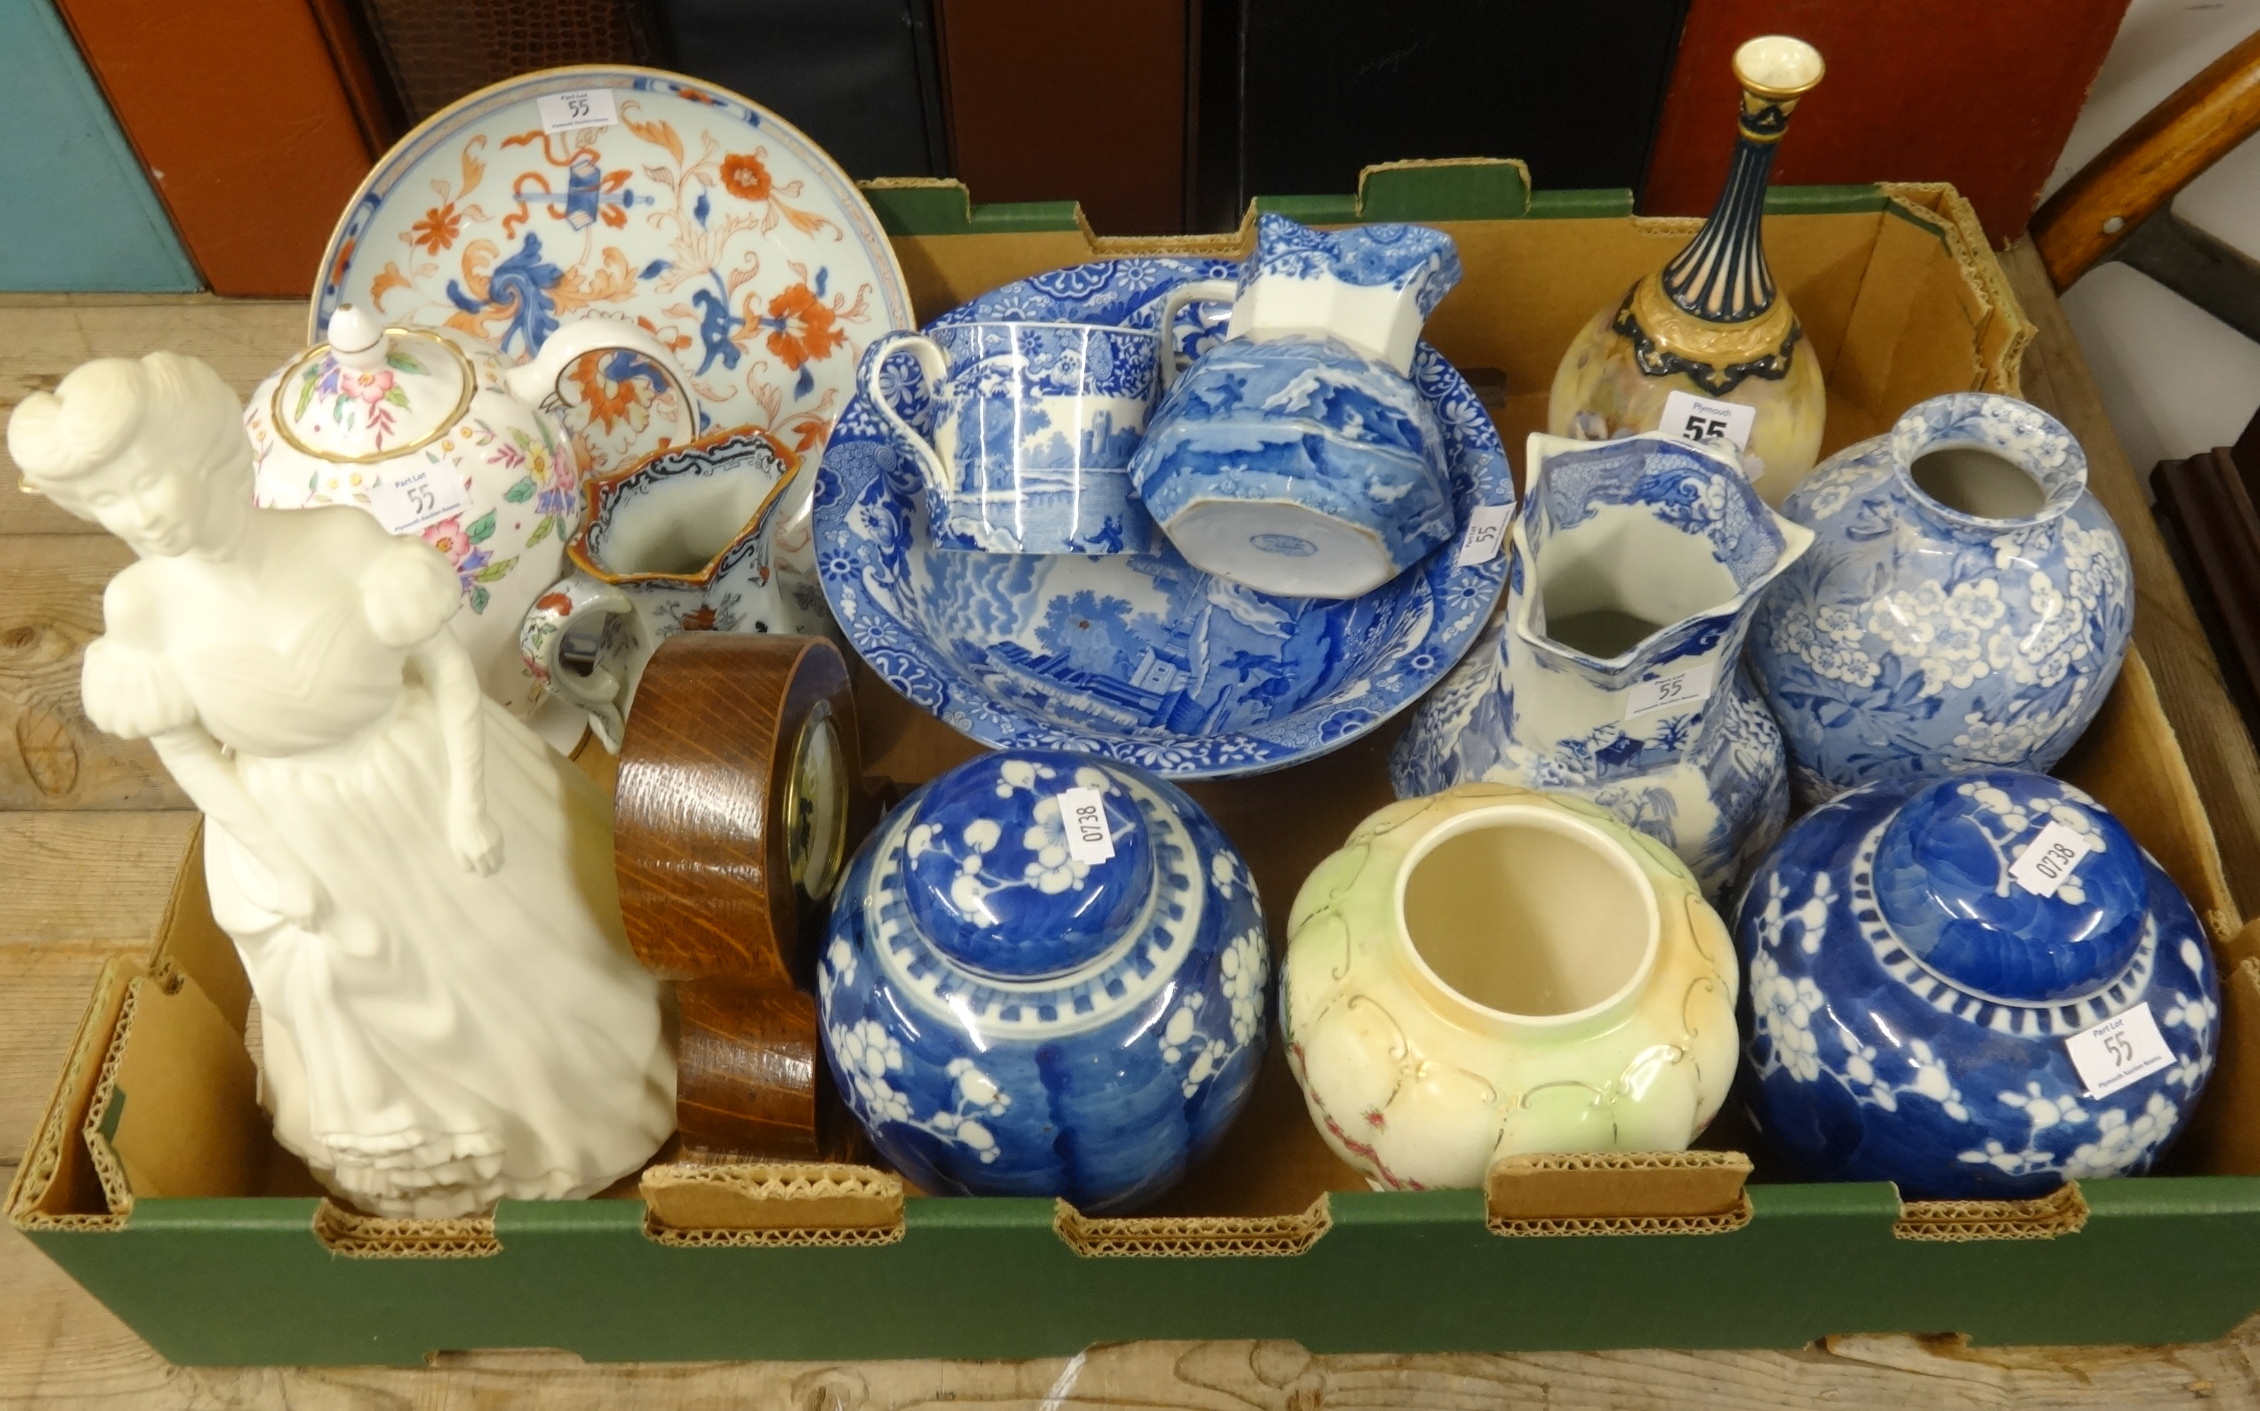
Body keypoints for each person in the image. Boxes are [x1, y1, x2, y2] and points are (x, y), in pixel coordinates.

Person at [10, 352, 672, 1219]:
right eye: (103, 504)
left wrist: (468, 804)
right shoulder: (142, 609)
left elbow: (443, 673)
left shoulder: (342, 542)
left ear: (213, 456)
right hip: (284, 818)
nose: (137, 518)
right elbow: (191, 753)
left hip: (417, 767)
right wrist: (273, 859)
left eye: (146, 485)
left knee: (518, 946)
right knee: (335, 984)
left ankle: (584, 1130)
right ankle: (436, 1175)